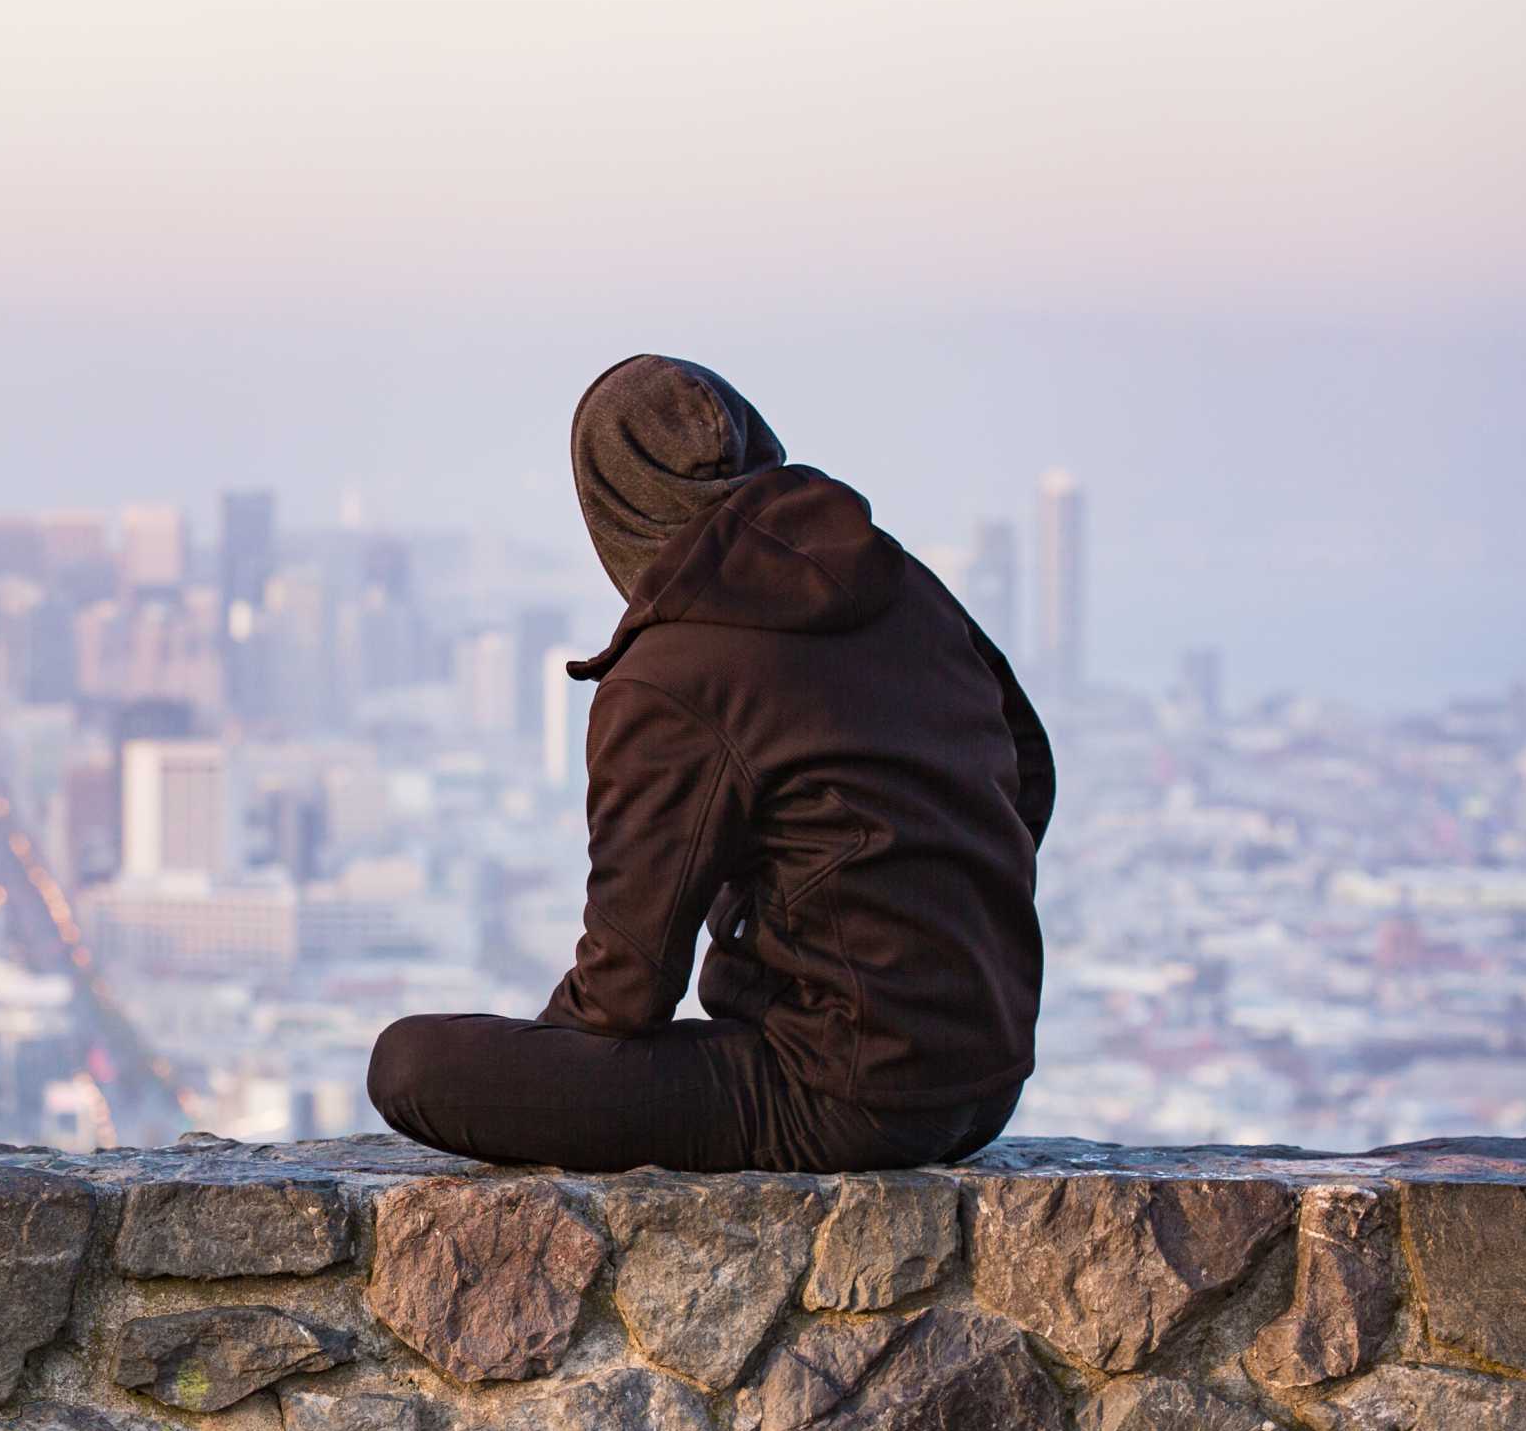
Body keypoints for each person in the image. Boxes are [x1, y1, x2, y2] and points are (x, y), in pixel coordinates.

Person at [367, 355, 1052, 1172]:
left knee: (408, 1064)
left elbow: (625, 988)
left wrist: (555, 1068)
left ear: (613, 505)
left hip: (835, 1095)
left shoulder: (668, 677)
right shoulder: (902, 584)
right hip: (985, 1082)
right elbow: (1029, 770)